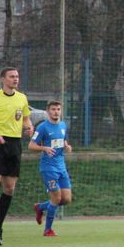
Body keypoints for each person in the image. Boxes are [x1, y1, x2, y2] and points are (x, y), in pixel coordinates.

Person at [0, 67, 34, 245]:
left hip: (15, 144)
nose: (15, 79)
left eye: (17, 76)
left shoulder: (22, 98)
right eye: (12, 76)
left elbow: (25, 118)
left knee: (9, 188)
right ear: (3, 79)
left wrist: (29, 127)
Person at [29, 100, 73, 237]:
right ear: (48, 111)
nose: (56, 112)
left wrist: (67, 146)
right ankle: (48, 230)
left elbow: (63, 139)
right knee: (56, 197)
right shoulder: (43, 127)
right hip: (48, 168)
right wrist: (44, 148)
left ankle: (40, 207)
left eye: (58, 109)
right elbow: (31, 146)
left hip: (62, 167)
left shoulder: (63, 125)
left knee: (66, 199)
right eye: (53, 109)